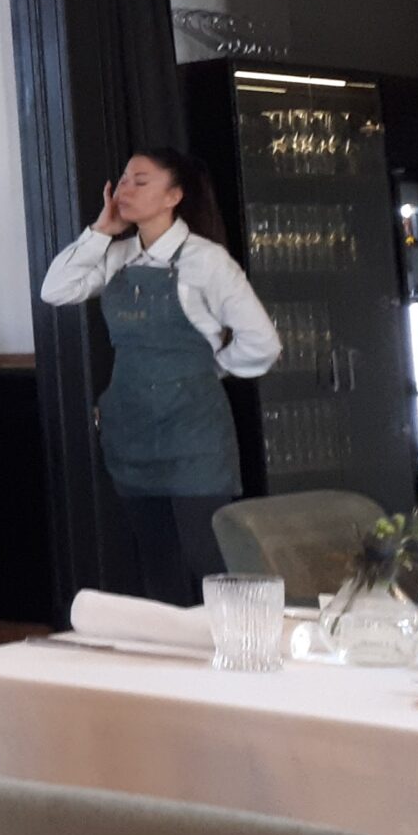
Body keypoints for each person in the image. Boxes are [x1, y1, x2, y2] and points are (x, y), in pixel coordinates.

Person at [41, 146, 279, 604]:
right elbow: (55, 290)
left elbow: (263, 343)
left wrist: (208, 370)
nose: (125, 190)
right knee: (157, 566)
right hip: (132, 429)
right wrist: (99, 232)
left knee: (209, 559)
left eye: (140, 181)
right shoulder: (116, 255)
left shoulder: (206, 260)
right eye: (123, 180)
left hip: (193, 435)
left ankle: (243, 643)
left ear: (173, 196)